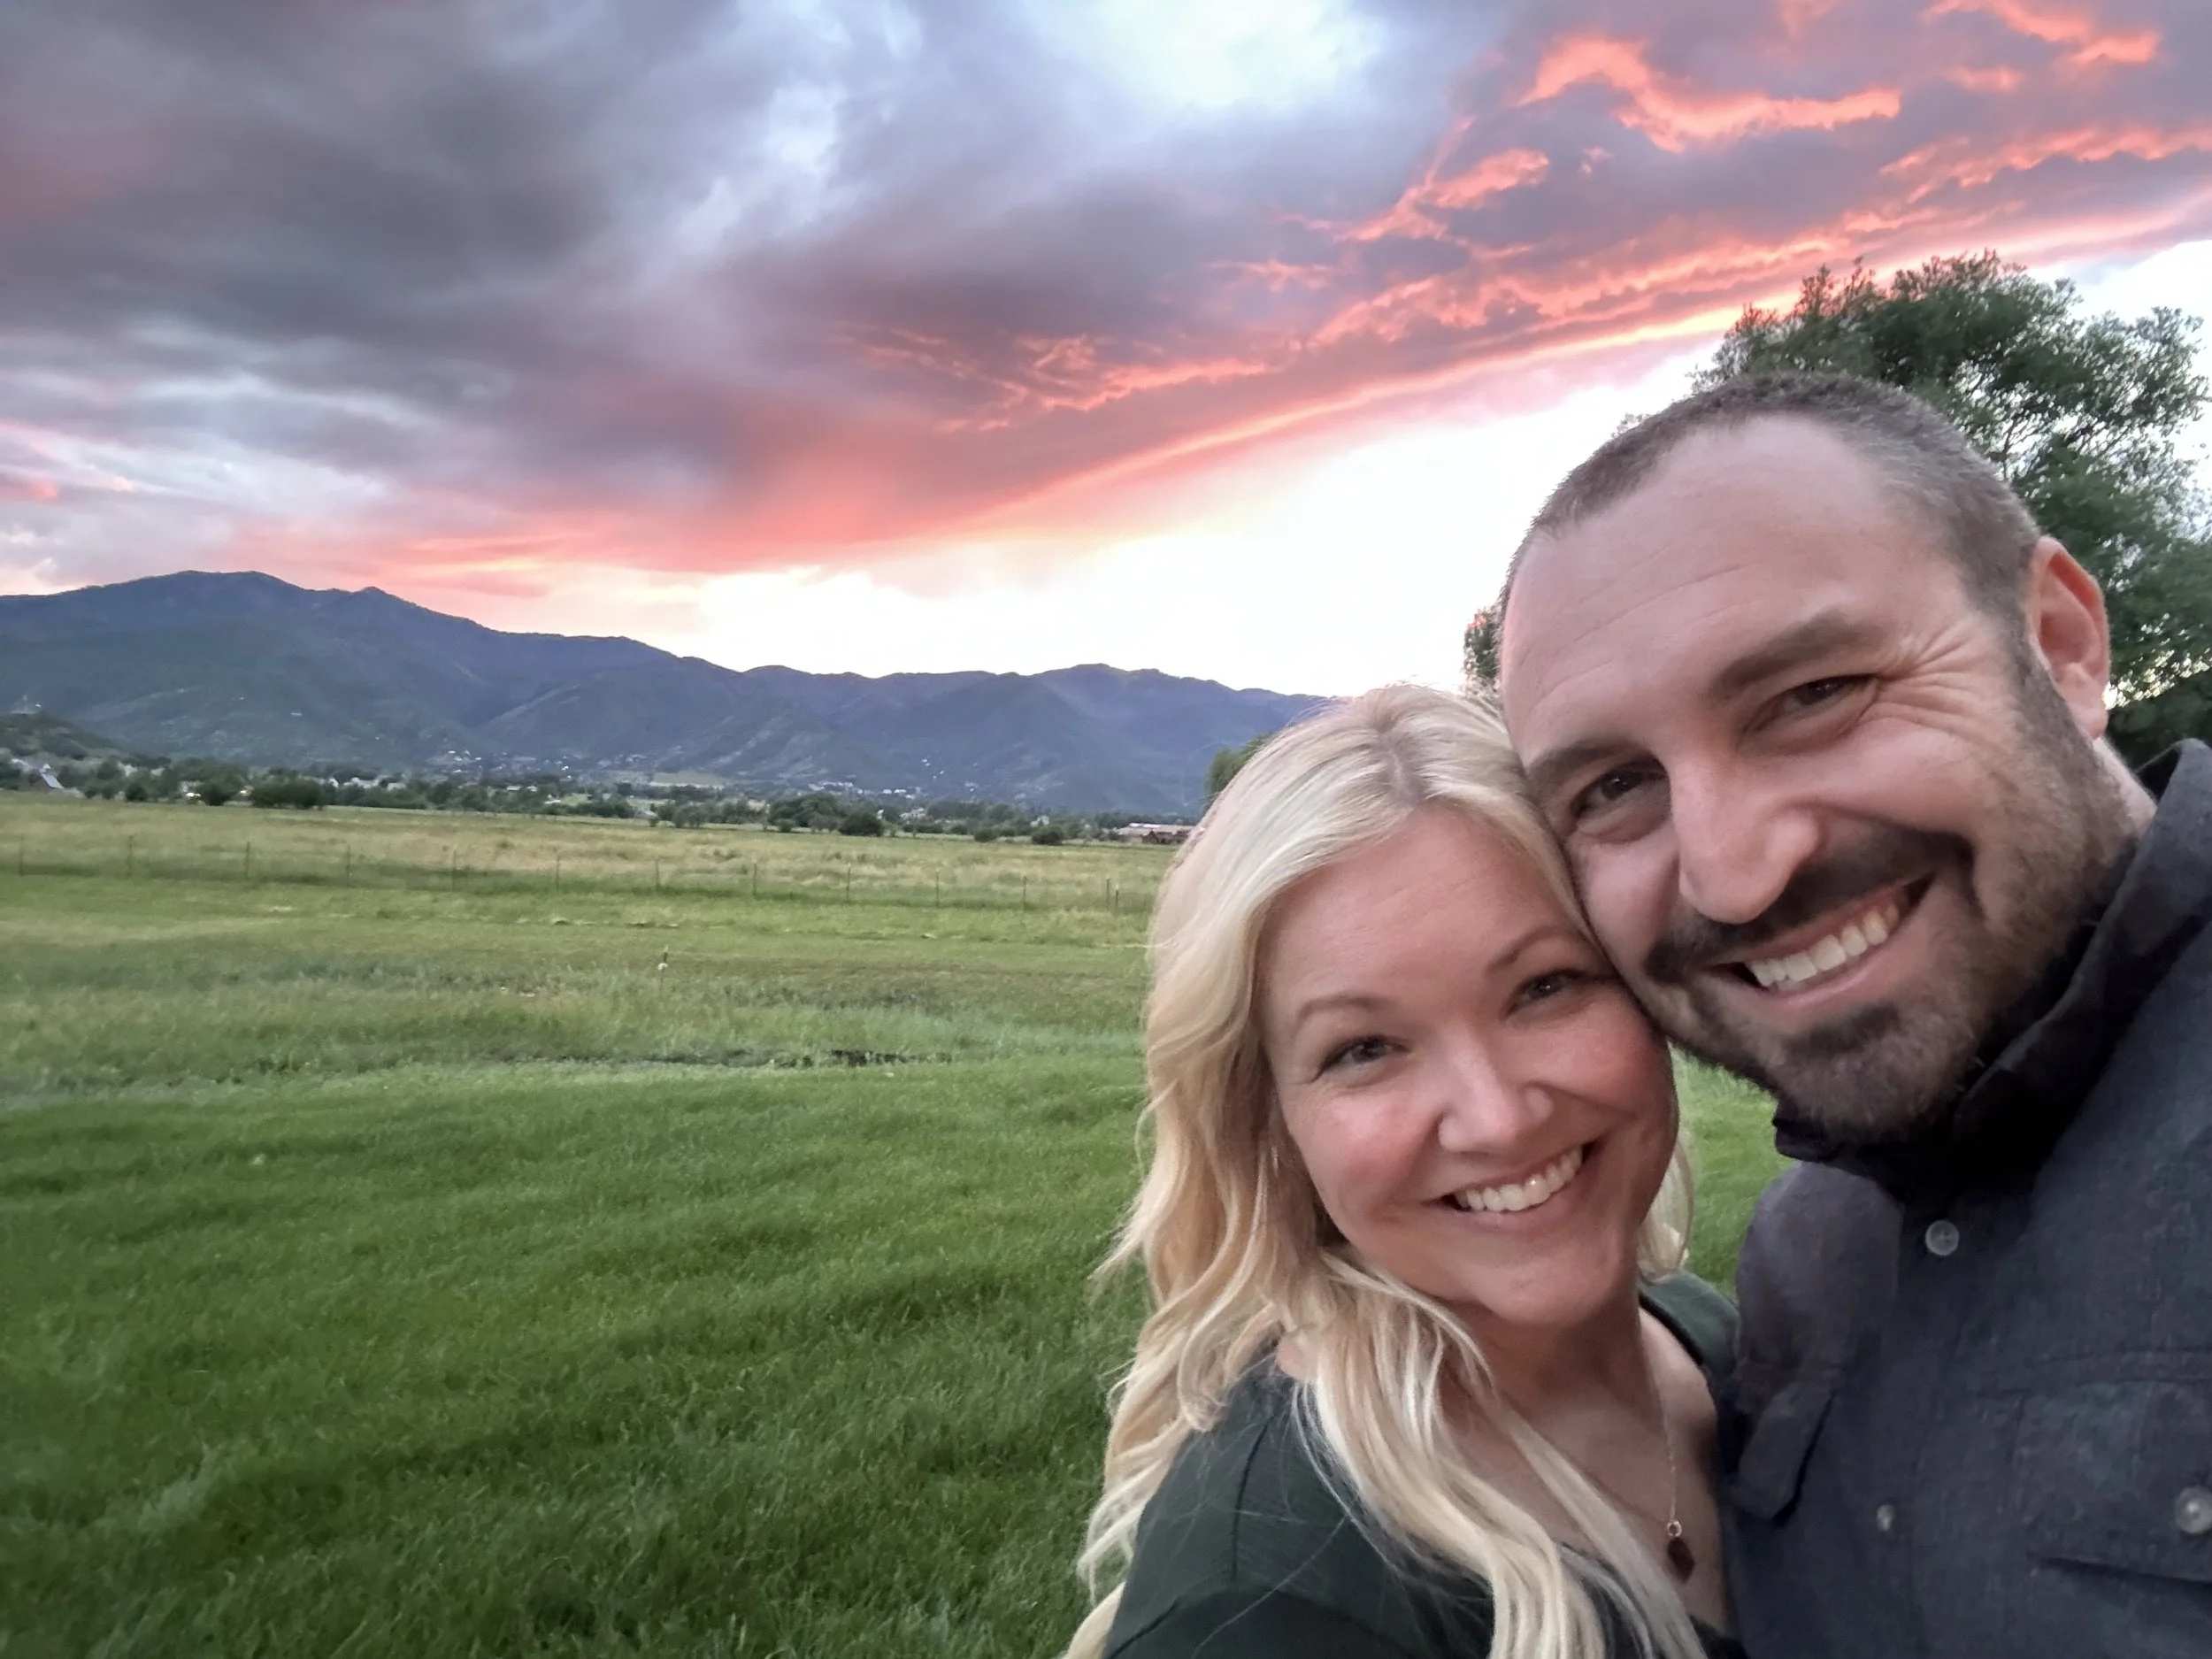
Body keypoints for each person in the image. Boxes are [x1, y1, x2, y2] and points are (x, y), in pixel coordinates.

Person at [1495, 371, 2212, 1657]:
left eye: (1812, 695)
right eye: (1612, 787)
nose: (1730, 874)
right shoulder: (1806, 1256)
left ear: (2060, 644)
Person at [1066, 686, 1743, 1659]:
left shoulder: (1718, 1342)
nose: (1496, 1117)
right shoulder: (1273, 1600)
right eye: (1366, 1049)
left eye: (1545, 986)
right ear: (1269, 1120)